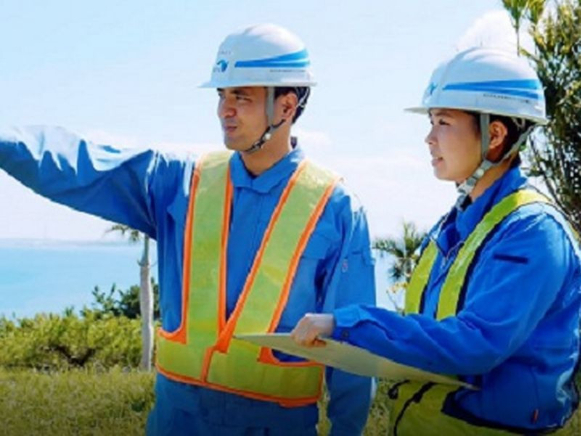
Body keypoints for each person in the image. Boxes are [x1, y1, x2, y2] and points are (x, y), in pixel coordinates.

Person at [0, 24, 375, 435]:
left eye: (241, 97)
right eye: (222, 95)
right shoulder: (179, 183)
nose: (223, 110)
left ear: (286, 107)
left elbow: (350, 346)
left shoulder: (334, 208)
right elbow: (82, 163)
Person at [291, 47, 581, 435]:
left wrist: (348, 325)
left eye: (442, 122)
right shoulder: (459, 223)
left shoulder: (532, 232)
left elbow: (477, 343)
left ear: (495, 135)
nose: (429, 138)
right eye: (431, 121)